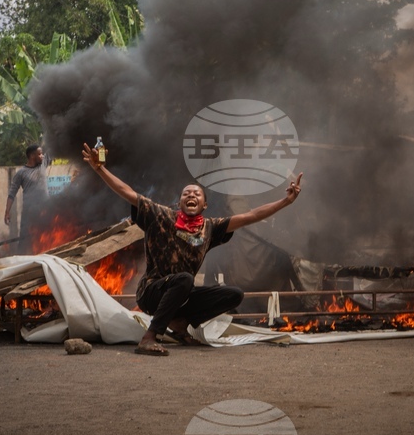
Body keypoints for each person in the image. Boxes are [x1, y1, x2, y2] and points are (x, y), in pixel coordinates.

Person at [81, 141, 303, 356]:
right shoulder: (161, 216)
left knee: (233, 294)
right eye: (186, 194)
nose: (191, 196)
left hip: (182, 294)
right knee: (185, 278)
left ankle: (180, 322)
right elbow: (127, 192)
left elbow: (251, 216)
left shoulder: (210, 228)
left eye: (196, 194)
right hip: (151, 292)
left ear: (204, 205)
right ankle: (149, 337)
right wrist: (100, 169)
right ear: (179, 203)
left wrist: (286, 202)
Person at [4, 144, 49, 253]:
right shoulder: (21, 173)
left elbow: (53, 145)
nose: (42, 156)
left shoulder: (43, 164)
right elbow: (12, 193)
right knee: (26, 240)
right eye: (39, 154)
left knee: (47, 236)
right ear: (32, 156)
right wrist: (7, 211)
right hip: (29, 212)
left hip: (46, 208)